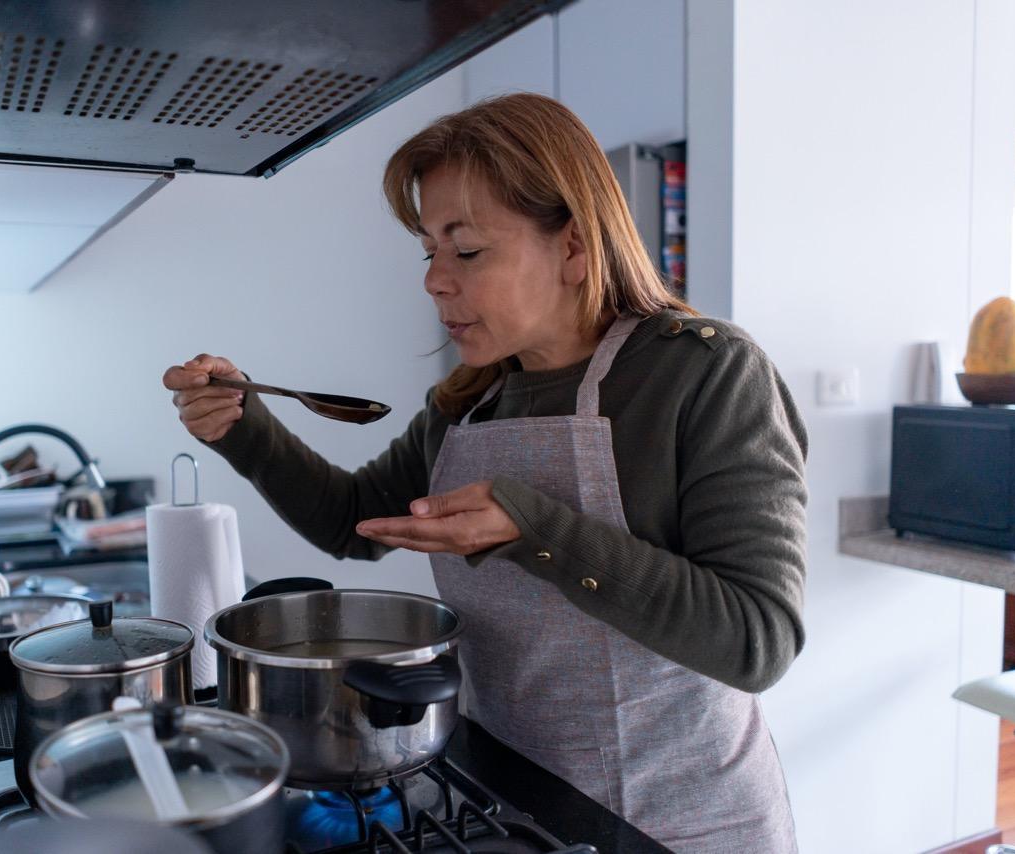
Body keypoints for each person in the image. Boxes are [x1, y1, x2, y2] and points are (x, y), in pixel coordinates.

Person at [162, 93, 807, 853]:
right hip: (513, 797)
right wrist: (245, 426)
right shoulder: (471, 401)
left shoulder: (705, 374)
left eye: (465, 250)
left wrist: (536, 530)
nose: (435, 280)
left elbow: (758, 640)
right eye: (429, 251)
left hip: (677, 824)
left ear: (574, 246)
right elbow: (354, 521)